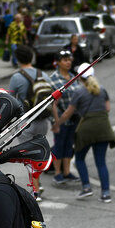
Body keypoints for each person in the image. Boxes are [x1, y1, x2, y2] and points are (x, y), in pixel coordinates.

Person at [58, 68, 115, 203]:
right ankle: (106, 193)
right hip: (103, 128)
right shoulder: (102, 89)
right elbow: (107, 108)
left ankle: (86, 188)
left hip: (86, 129)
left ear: (80, 77)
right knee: (101, 162)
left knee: (79, 158)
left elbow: (68, 112)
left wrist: (58, 123)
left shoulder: (78, 91)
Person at [7, 44, 51, 199]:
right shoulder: (43, 74)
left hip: (26, 121)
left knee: (28, 156)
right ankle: (38, 182)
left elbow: (10, 99)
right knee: (39, 152)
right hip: (43, 121)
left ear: (18, 59)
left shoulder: (17, 77)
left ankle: (35, 191)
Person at [49, 50, 81, 185]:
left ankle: (67, 172)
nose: (68, 62)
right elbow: (52, 104)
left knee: (69, 145)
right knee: (59, 145)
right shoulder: (53, 79)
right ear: (57, 62)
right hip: (60, 119)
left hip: (74, 118)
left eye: (69, 59)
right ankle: (57, 173)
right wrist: (56, 122)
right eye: (64, 60)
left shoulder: (73, 77)